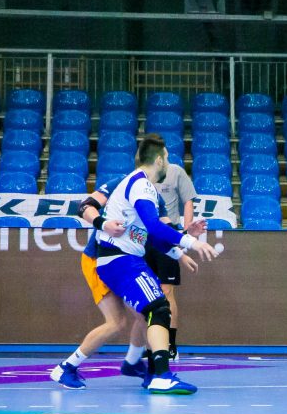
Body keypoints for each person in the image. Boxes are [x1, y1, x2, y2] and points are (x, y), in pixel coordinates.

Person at [49, 181, 206, 390]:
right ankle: (66, 367)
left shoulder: (155, 197)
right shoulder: (124, 184)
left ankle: (133, 363)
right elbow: (84, 207)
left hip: (125, 259)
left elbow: (162, 231)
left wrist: (185, 237)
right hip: (100, 258)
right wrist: (103, 223)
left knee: (146, 314)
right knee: (116, 322)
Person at [95, 134, 219, 394]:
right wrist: (191, 243)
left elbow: (149, 236)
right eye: (168, 159)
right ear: (160, 160)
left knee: (157, 309)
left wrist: (178, 252)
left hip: (121, 257)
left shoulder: (139, 185)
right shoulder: (142, 185)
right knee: (158, 308)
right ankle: (159, 374)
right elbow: (153, 226)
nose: (169, 164)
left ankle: (151, 370)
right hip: (119, 258)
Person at [147, 161, 198, 360]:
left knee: (166, 291)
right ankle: (151, 346)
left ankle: (170, 345)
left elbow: (188, 200)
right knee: (147, 293)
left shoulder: (176, 171)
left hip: (167, 234)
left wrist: (185, 234)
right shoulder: (141, 174)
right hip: (143, 237)